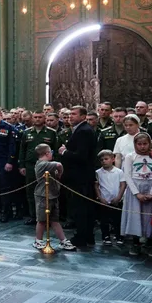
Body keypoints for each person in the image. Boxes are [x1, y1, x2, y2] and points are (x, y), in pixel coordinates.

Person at [59, 105, 98, 248]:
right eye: (69, 115)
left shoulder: (84, 131)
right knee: (83, 207)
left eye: (74, 114)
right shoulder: (82, 130)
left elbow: (81, 156)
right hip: (79, 176)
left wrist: (64, 152)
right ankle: (87, 236)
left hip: (80, 176)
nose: (70, 117)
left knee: (81, 208)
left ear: (83, 116)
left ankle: (82, 237)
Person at [121, 132, 152, 256]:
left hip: (151, 187)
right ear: (135, 144)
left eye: (145, 144)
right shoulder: (130, 156)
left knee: (149, 216)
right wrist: (137, 193)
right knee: (135, 216)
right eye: (139, 144)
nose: (142, 147)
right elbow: (127, 175)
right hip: (135, 189)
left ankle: (149, 242)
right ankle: (135, 242)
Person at [19, 111, 59, 224]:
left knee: (47, 191)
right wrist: (21, 165)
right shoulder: (27, 132)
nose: (37, 119)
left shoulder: (51, 133)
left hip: (46, 166)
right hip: (30, 166)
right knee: (31, 192)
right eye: (35, 117)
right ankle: (34, 216)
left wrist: (54, 165)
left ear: (44, 118)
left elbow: (55, 150)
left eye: (40, 117)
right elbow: (22, 150)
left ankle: (47, 217)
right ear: (32, 118)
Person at [33, 144, 74, 250]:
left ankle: (63, 240)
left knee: (55, 220)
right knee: (41, 220)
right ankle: (38, 240)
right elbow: (59, 165)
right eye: (50, 152)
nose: (52, 153)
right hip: (43, 195)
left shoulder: (48, 164)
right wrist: (60, 173)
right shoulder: (42, 164)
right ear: (47, 153)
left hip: (53, 195)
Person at [95, 149, 126, 247]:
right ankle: (106, 236)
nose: (104, 161)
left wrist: (119, 197)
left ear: (113, 159)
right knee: (104, 220)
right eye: (101, 160)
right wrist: (100, 198)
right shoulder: (98, 172)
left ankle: (119, 236)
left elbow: (122, 185)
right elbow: (96, 186)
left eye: (106, 159)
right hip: (104, 201)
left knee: (118, 219)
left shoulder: (119, 172)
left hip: (116, 200)